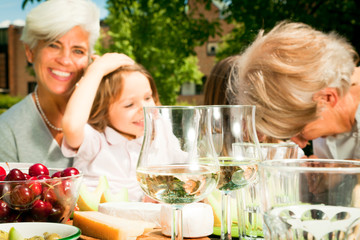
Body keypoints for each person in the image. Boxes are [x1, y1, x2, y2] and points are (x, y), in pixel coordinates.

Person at [227, 21, 360, 160]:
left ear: (327, 98)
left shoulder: (314, 100)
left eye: (299, 131)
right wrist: (325, 176)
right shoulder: (315, 95)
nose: (300, 144)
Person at [0, 0, 100, 167]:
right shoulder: (6, 131)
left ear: (90, 59)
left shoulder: (108, 114)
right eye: (53, 45)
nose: (65, 60)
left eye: (78, 50)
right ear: (30, 52)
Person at [61, 53, 160, 202]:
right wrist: (96, 71)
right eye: (129, 104)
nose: (144, 108)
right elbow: (72, 126)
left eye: (147, 98)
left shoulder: (156, 139)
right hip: (97, 220)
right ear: (103, 110)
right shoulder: (96, 141)